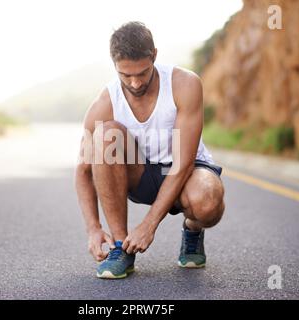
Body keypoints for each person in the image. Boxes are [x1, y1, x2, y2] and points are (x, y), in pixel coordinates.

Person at [75, 21, 225, 279]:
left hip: (184, 170)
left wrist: (148, 225)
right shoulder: (104, 103)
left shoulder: (185, 84)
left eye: (142, 73)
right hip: (140, 173)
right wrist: (93, 228)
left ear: (154, 55)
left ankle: (192, 228)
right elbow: (83, 171)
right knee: (105, 134)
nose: (134, 83)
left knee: (208, 202)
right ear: (114, 65)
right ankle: (121, 248)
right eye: (125, 75)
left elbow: (183, 164)